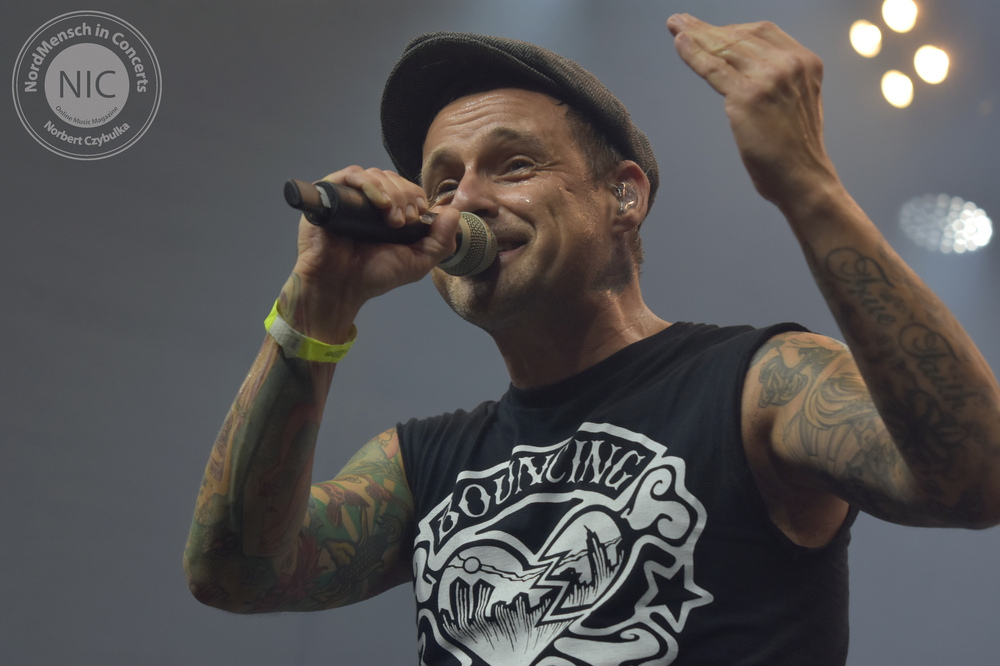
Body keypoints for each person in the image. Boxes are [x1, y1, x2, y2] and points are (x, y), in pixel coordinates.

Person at [184, 13, 1000, 665]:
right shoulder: (420, 464)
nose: (464, 202)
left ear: (623, 197)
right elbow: (235, 574)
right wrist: (317, 301)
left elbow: (978, 477)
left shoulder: (758, 385)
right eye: (443, 181)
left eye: (512, 166)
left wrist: (807, 184)